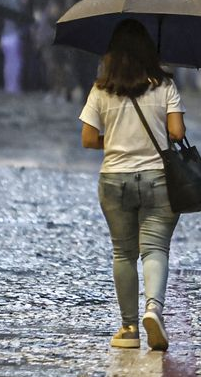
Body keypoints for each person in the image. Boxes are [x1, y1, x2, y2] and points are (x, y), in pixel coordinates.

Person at [79, 19, 187, 351]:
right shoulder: (165, 85)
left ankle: (128, 329)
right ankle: (153, 309)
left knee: (123, 253)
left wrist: (115, 140)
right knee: (155, 249)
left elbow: (88, 139)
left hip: (114, 178)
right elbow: (177, 133)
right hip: (158, 178)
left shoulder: (101, 89)